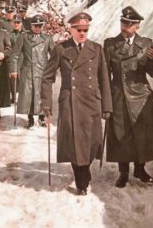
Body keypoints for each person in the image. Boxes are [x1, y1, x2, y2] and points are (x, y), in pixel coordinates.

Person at [41, 12, 112, 195]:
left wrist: (107, 106)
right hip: (70, 103)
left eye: (85, 30)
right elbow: (47, 78)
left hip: (91, 102)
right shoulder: (60, 49)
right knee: (74, 143)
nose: (82, 33)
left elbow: (104, 79)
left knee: (91, 142)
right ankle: (81, 181)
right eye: (78, 30)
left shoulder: (96, 49)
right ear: (70, 29)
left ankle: (85, 170)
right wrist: (46, 103)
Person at [104, 6, 153, 187]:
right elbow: (105, 75)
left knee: (142, 134)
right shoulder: (110, 45)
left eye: (130, 24)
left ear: (137, 26)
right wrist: (105, 101)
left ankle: (140, 169)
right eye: (123, 22)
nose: (125, 26)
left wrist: (152, 60)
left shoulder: (146, 44)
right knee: (121, 135)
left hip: (140, 96)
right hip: (119, 96)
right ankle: (123, 173)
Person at [10, 14, 54, 128]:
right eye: (35, 26)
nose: (38, 28)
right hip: (28, 71)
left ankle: (42, 117)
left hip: (42, 71)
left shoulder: (48, 39)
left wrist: (51, 71)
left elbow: (54, 57)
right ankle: (30, 118)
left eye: (40, 25)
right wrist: (14, 70)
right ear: (31, 26)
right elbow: (15, 55)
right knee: (29, 95)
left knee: (41, 94)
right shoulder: (24, 37)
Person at [9, 14, 24, 103]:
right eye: (14, 22)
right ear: (11, 23)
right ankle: (14, 96)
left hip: (24, 58)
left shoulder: (25, 34)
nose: (16, 24)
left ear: (21, 23)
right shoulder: (9, 35)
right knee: (13, 80)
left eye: (18, 22)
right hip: (13, 59)